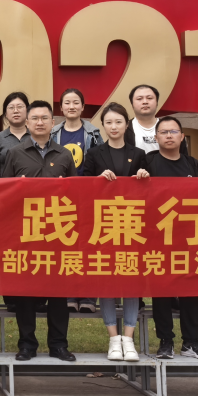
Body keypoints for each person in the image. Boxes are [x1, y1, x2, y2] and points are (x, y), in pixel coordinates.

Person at [0, 100, 78, 362]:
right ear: (27, 122)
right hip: (26, 233)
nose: (40, 122)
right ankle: (26, 345)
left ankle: (59, 344)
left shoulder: (64, 155)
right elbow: (4, 194)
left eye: (45, 118)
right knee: (25, 293)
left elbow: (76, 194)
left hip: (57, 232)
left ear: (53, 123)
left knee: (58, 293)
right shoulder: (15, 154)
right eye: (35, 118)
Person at [82, 102, 148, 362]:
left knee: (130, 279)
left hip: (132, 225)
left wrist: (144, 175)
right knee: (107, 279)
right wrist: (98, 180)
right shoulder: (94, 153)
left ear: (126, 124)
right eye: (108, 122)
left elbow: (151, 189)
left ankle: (128, 339)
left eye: (118, 122)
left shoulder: (139, 153)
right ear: (103, 126)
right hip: (104, 225)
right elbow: (82, 186)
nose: (114, 126)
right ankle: (113, 338)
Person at [143, 115, 198, 360]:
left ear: (182, 136)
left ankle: (191, 342)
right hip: (158, 238)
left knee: (191, 291)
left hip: (188, 238)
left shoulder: (192, 165)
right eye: (164, 132)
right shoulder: (148, 162)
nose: (169, 136)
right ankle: (166, 341)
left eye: (173, 131)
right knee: (161, 292)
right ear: (156, 137)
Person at [50, 88, 103, 314]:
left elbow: (100, 161)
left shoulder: (93, 134)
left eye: (76, 102)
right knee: (65, 244)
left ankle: (89, 296)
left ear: (83, 107)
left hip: (87, 197)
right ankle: (69, 293)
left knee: (89, 245)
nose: (71, 106)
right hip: (61, 198)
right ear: (61, 108)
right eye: (67, 103)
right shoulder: (53, 133)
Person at [0, 92, 32, 314]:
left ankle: (34, 294)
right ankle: (11, 296)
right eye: (11, 107)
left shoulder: (37, 135)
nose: (16, 111)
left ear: (28, 111)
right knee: (10, 249)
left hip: (35, 203)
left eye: (20, 106)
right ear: (5, 113)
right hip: (8, 202)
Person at [124, 84, 188, 155]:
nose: (145, 102)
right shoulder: (124, 129)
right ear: (132, 104)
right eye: (139, 99)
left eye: (149, 98)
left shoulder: (171, 127)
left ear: (157, 102)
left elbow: (182, 156)